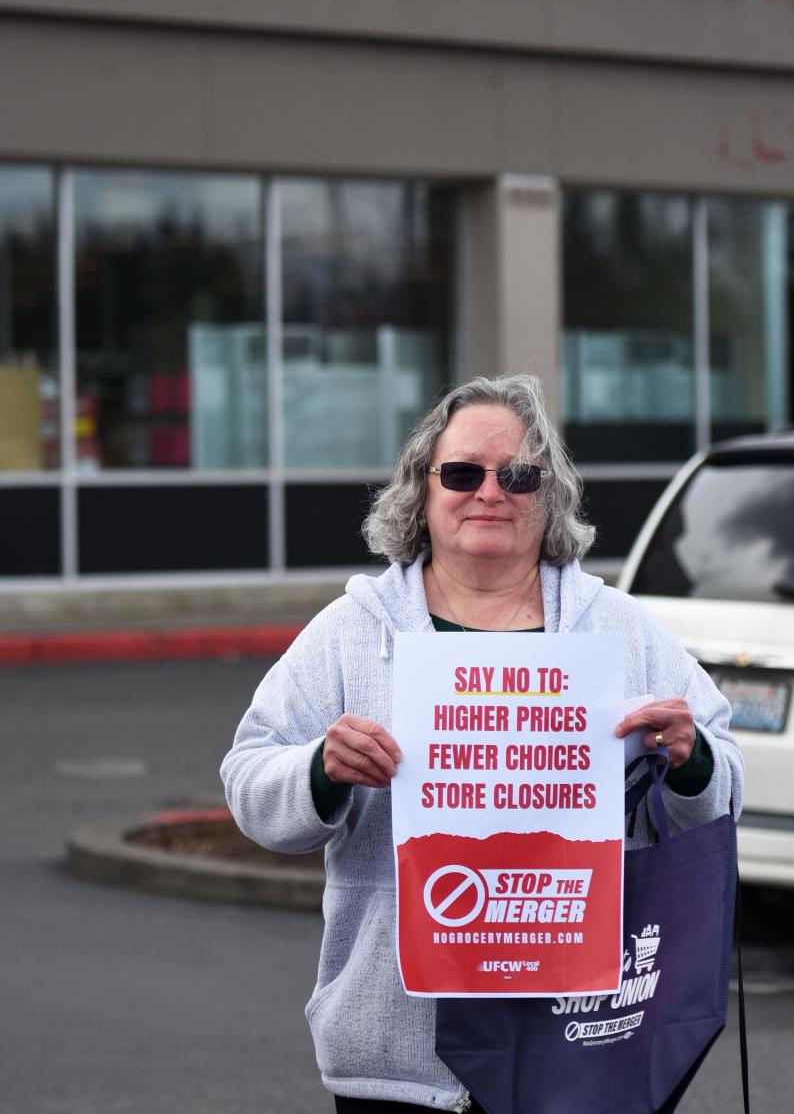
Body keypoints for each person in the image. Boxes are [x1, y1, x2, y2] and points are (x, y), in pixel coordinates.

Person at [221, 373, 743, 1114]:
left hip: (582, 1047)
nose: (490, 492)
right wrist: (320, 771)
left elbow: (724, 785)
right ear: (422, 492)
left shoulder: (618, 631)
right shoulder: (353, 631)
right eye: (463, 472)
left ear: (550, 495)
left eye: (519, 474)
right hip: (399, 1063)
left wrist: (693, 762)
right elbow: (248, 778)